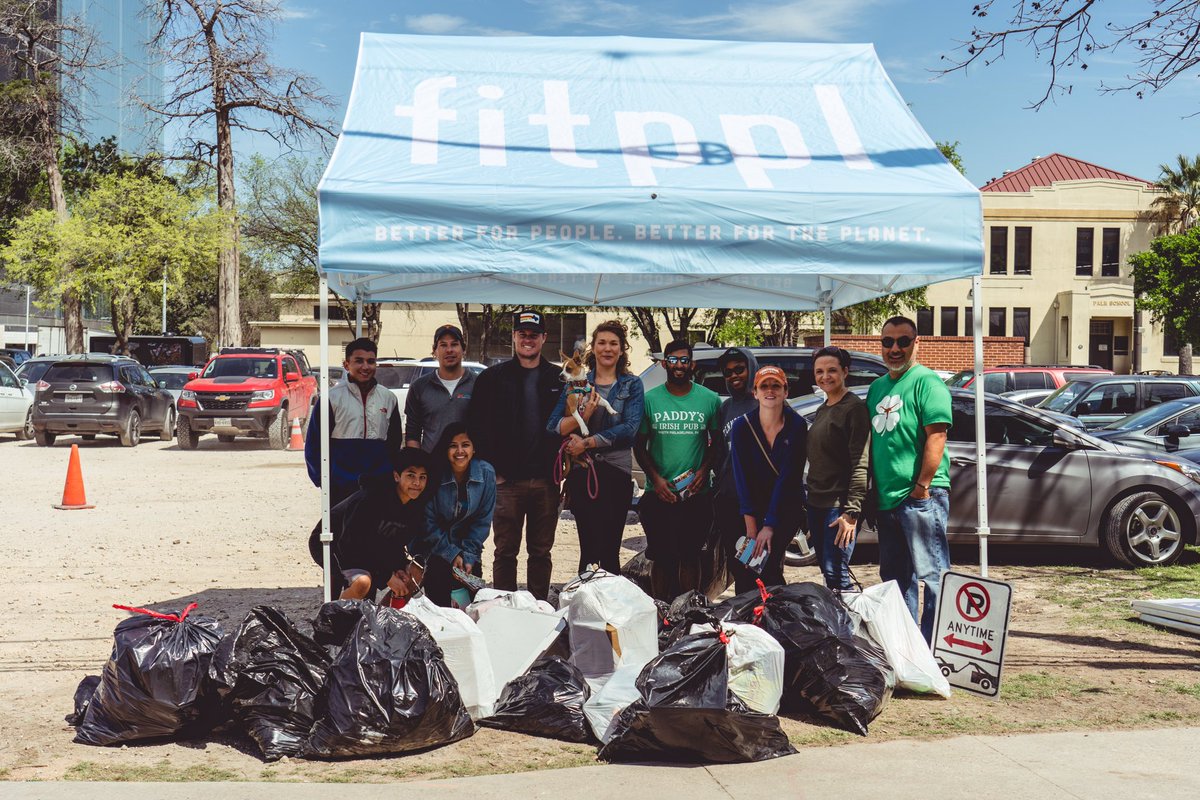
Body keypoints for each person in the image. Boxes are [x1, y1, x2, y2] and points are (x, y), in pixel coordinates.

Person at [867, 316, 953, 642]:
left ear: (918, 343)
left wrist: (922, 488)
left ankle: (935, 650)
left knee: (933, 577)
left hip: (921, 498)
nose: (895, 348)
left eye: (903, 341)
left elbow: (937, 436)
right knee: (895, 579)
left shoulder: (927, 382)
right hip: (887, 499)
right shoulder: (877, 387)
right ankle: (909, 649)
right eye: (887, 342)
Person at [467, 309, 563, 601]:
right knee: (505, 552)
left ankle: (538, 608)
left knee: (541, 552)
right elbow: (476, 427)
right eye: (522, 334)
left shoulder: (558, 378)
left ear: (544, 338)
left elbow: (568, 425)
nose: (528, 340)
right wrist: (492, 472)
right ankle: (506, 609)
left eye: (534, 335)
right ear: (514, 337)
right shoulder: (492, 378)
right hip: (505, 483)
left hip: (546, 482)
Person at [547, 320, 645, 575]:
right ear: (593, 347)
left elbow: (630, 428)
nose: (607, 348)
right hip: (583, 471)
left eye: (614, 343)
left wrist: (587, 442)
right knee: (588, 550)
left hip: (616, 471)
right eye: (601, 342)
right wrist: (582, 416)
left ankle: (610, 612)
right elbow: (553, 426)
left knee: (610, 550)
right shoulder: (576, 381)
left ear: (622, 350)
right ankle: (584, 609)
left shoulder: (631, 385)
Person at [634, 340, 722, 601]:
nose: (679, 365)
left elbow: (716, 444)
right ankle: (662, 611)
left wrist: (704, 472)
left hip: (695, 495)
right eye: (673, 360)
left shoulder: (710, 400)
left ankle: (687, 610)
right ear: (664, 364)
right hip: (658, 494)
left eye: (684, 360)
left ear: (692, 364)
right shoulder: (650, 400)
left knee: (691, 555)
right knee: (661, 556)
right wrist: (656, 480)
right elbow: (639, 446)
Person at [307, 447, 433, 601]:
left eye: (422, 477)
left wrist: (400, 567)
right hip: (334, 543)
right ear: (396, 476)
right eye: (411, 475)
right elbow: (355, 542)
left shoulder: (414, 505)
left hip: (366, 551)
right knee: (362, 583)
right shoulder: (374, 497)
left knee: (414, 574)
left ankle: (380, 618)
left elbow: (392, 543)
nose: (416, 483)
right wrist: (387, 575)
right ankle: (332, 619)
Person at [729, 366, 808, 592]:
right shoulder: (742, 426)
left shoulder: (796, 425)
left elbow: (788, 478)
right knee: (748, 567)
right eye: (764, 386)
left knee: (770, 566)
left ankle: (775, 616)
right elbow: (741, 477)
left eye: (776, 385)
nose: (770, 390)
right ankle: (748, 618)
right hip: (752, 505)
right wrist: (752, 528)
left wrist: (770, 525)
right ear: (755, 392)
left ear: (786, 391)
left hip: (785, 506)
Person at [305, 337, 404, 508]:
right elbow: (315, 443)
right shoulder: (331, 398)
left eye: (370, 361)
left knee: (375, 533)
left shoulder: (388, 398)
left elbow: (394, 443)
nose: (365, 367)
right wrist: (323, 479)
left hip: (379, 485)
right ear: (346, 364)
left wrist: (390, 476)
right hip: (341, 485)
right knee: (341, 532)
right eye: (359, 361)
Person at [806, 346, 870, 591]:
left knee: (837, 574)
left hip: (838, 508)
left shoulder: (853, 409)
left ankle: (846, 628)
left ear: (845, 371)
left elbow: (860, 462)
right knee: (827, 571)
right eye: (819, 371)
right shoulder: (824, 407)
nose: (825, 376)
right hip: (817, 504)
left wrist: (852, 512)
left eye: (832, 370)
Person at [416, 422, 497, 607]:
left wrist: (468, 555)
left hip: (469, 546)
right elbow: (428, 522)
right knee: (440, 607)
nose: (459, 451)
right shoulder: (434, 474)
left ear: (474, 448)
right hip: (436, 547)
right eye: (453, 446)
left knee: (471, 606)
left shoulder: (486, 473)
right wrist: (451, 554)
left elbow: (482, 521)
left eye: (465, 445)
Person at [712, 347, 760, 592]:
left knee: (762, 568)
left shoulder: (765, 401)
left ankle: (765, 618)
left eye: (739, 369)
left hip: (759, 502)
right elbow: (720, 453)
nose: (733, 376)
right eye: (728, 372)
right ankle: (745, 619)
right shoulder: (726, 408)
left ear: (751, 368)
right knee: (738, 565)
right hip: (730, 500)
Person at [404, 323, 477, 452]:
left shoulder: (478, 384)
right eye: (443, 345)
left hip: (468, 466)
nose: (449, 350)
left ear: (463, 349)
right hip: (432, 466)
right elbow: (412, 434)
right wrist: (418, 463)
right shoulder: (419, 387)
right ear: (434, 351)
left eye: (454, 344)